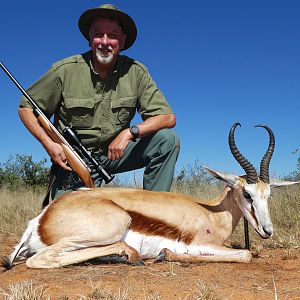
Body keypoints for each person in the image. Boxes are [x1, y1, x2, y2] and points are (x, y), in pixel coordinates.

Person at [18, 4, 179, 202]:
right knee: (70, 222)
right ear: (89, 39)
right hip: (74, 161)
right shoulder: (64, 70)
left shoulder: (136, 72)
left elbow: (167, 118)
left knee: (167, 140)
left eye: (112, 35)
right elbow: (26, 109)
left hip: (115, 154)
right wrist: (49, 144)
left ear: (123, 40)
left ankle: (154, 212)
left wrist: (130, 133)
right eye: (98, 34)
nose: (105, 42)